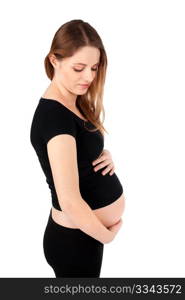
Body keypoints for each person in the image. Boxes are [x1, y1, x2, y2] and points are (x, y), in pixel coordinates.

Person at [30, 19, 126, 278]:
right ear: (54, 60)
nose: (89, 77)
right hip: (75, 241)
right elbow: (70, 201)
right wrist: (105, 236)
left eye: (94, 68)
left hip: (84, 234)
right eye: (79, 68)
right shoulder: (55, 117)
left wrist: (102, 155)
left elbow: (78, 156)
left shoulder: (73, 102)